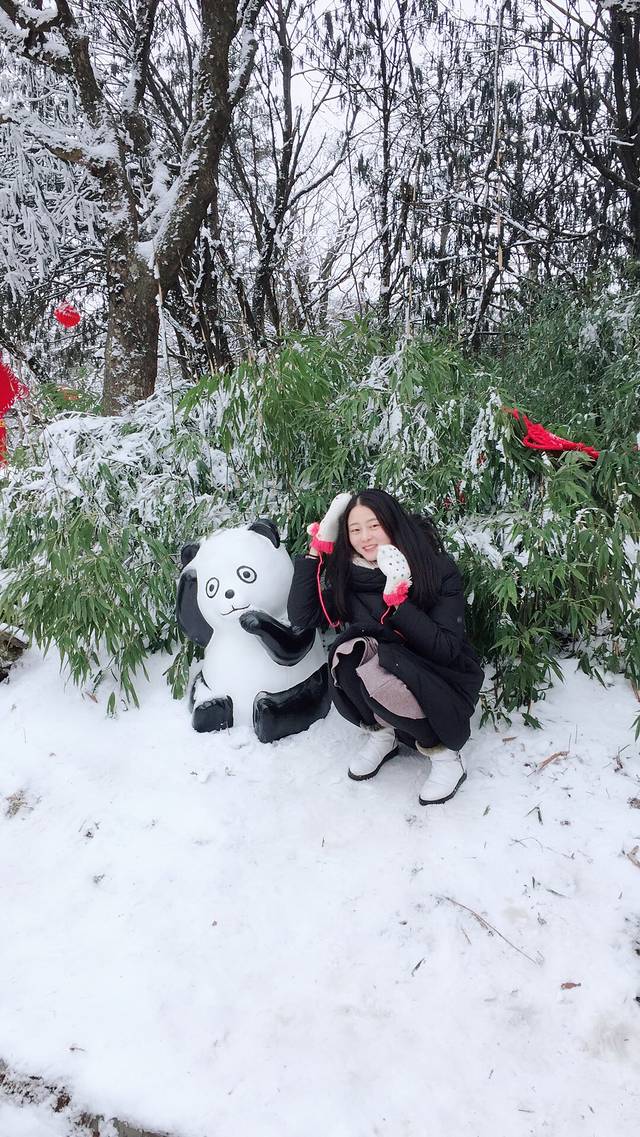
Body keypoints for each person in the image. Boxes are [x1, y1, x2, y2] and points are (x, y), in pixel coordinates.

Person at [287, 489, 484, 805]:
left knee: (382, 663)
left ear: (393, 524)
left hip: (441, 680)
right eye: (354, 529)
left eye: (374, 525)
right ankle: (384, 734)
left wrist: (399, 602)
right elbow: (302, 616)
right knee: (347, 655)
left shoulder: (435, 568)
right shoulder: (350, 575)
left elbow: (446, 649)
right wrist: (316, 550)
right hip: (385, 677)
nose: (365, 537)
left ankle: (445, 756)